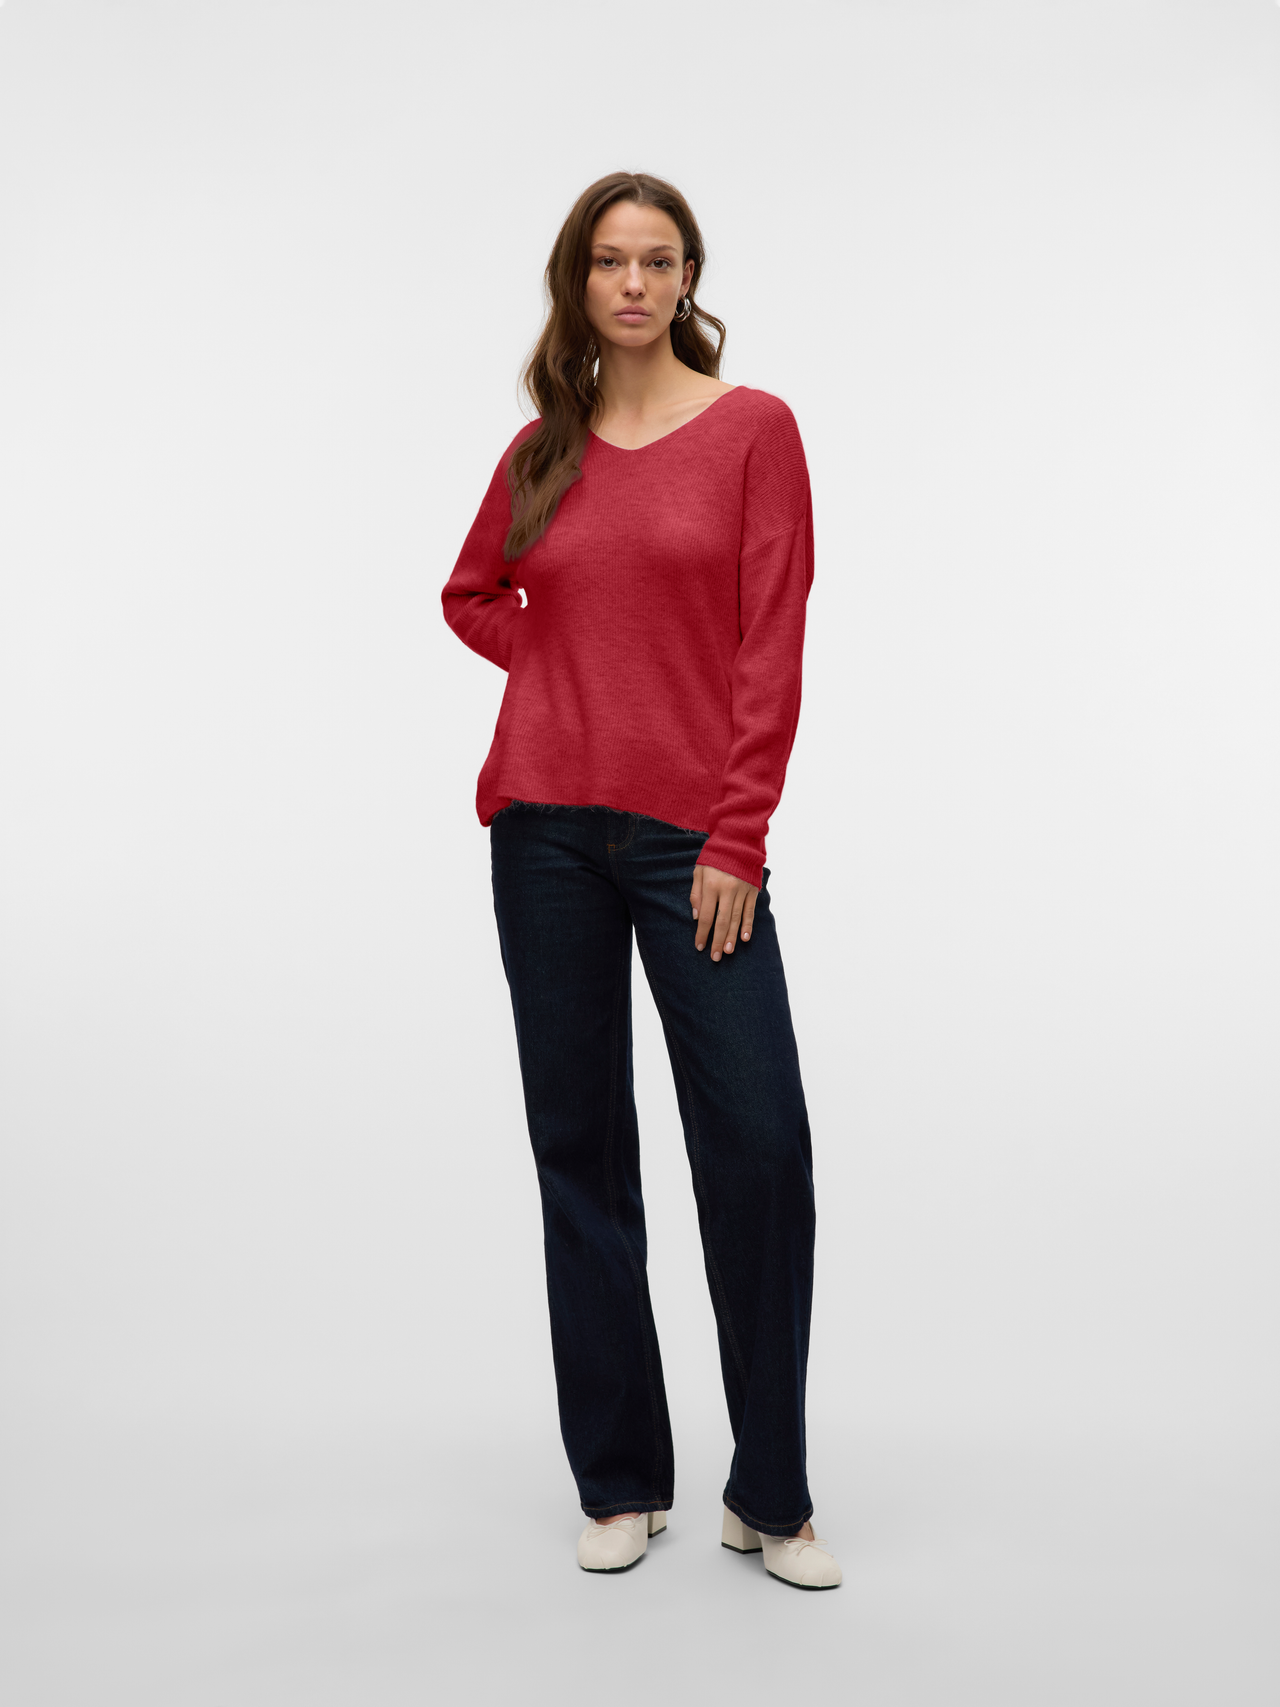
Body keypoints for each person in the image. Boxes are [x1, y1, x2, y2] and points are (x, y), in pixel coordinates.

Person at [440, 171, 840, 1591]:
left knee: (761, 1152)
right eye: (609, 261)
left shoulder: (753, 432)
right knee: (582, 1151)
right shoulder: (541, 449)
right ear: (579, 280)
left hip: (690, 841)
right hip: (543, 830)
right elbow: (472, 593)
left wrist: (739, 835)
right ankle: (620, 1478)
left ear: (687, 280)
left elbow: (770, 644)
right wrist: (569, 671)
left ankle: (770, 1493)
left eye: (657, 260)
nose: (632, 283)